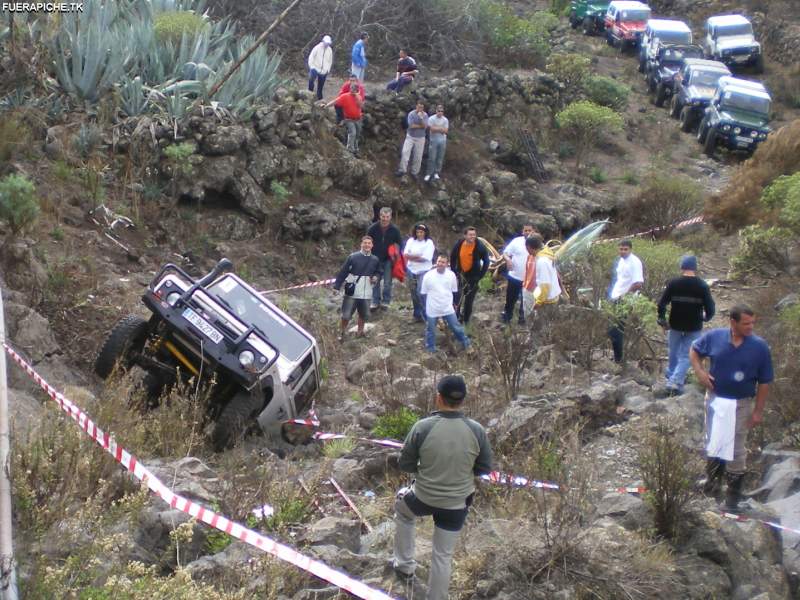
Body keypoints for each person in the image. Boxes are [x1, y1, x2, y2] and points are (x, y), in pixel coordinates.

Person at [392, 375, 493, 600]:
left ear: (439, 398)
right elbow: (485, 467)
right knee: (443, 555)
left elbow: (405, 463)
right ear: (463, 400)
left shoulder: (423, 427)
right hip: (457, 504)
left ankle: (404, 565)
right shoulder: (476, 430)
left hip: (422, 498)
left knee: (402, 507)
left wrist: (424, 470)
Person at [689, 305, 773, 512]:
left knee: (736, 447)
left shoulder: (760, 347)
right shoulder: (715, 337)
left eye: (753, 323)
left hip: (741, 403)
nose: (750, 327)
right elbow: (694, 349)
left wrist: (758, 411)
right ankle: (712, 484)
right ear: (733, 322)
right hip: (716, 399)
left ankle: (733, 499)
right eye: (746, 323)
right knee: (713, 440)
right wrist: (700, 372)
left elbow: (765, 382)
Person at [656, 255, 715, 396]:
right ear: (695, 268)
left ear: (682, 267)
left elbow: (662, 303)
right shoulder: (702, 285)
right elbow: (710, 307)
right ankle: (675, 381)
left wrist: (662, 319)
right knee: (687, 355)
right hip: (694, 325)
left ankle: (672, 379)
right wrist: (706, 317)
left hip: (675, 323)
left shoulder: (674, 283)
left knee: (673, 352)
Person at [332, 236, 382, 341]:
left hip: (367, 291)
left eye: (369, 243)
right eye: (365, 243)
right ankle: (342, 333)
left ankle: (360, 332)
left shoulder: (375, 259)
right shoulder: (353, 257)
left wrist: (376, 277)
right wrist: (337, 286)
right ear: (361, 244)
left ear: (372, 245)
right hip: (352, 291)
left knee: (364, 314)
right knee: (346, 315)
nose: (367, 245)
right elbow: (343, 271)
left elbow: (379, 271)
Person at [420, 254, 471, 353]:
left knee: (456, 327)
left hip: (447, 307)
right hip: (432, 308)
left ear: (447, 264)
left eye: (443, 262)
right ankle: (430, 349)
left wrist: (455, 305)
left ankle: (466, 344)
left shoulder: (451, 275)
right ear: (436, 262)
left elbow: (454, 291)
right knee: (430, 330)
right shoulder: (428, 276)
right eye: (439, 261)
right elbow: (423, 293)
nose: (440, 264)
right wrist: (425, 308)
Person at [607, 239, 644, 363]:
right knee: (612, 328)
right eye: (621, 249)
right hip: (616, 296)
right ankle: (618, 357)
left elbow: (638, 283)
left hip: (626, 299)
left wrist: (626, 296)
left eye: (625, 249)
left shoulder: (635, 262)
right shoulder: (621, 261)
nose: (622, 251)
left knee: (616, 329)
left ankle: (619, 359)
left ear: (630, 249)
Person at [449, 227, 490, 324]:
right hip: (460, 274)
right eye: (470, 235)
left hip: (473, 277)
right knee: (457, 297)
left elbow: (486, 261)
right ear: (465, 235)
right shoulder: (460, 243)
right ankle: (456, 318)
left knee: (469, 300)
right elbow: (453, 256)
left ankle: (466, 320)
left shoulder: (479, 246)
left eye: (474, 235)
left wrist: (481, 275)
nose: (473, 237)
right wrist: (454, 271)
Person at [366, 207, 403, 309]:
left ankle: (386, 301)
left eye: (387, 217)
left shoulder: (395, 230)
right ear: (379, 216)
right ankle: (375, 301)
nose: (385, 219)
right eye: (383, 216)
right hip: (374, 258)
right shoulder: (372, 228)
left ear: (390, 217)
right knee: (375, 281)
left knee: (387, 282)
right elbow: (366, 242)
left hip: (388, 260)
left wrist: (396, 254)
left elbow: (400, 244)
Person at [501, 223, 536, 324]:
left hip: (529, 279)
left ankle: (522, 320)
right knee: (510, 299)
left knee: (525, 301)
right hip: (514, 276)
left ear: (533, 231)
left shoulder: (536, 243)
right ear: (522, 231)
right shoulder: (517, 241)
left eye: (530, 230)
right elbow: (505, 253)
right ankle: (507, 317)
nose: (527, 232)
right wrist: (508, 260)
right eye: (526, 230)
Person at [522, 234, 561, 321]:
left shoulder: (542, 262)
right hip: (553, 297)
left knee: (541, 329)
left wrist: (539, 302)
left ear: (529, 247)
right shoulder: (547, 254)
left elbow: (545, 285)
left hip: (547, 301)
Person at [403, 223, 436, 322]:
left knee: (420, 292)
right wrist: (417, 256)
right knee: (413, 293)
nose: (419, 234)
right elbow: (405, 254)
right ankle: (417, 315)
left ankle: (427, 314)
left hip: (424, 270)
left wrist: (412, 257)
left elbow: (426, 258)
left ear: (425, 233)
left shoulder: (429, 243)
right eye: (417, 232)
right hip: (411, 269)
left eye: (421, 232)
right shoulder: (411, 241)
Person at [320, 84, 363, 155]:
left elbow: (361, 106)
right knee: (352, 133)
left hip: (358, 119)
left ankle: (356, 149)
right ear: (350, 89)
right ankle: (350, 150)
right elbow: (335, 101)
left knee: (357, 134)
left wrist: (358, 99)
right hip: (349, 119)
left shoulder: (359, 97)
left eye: (355, 89)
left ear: (357, 90)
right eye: (352, 88)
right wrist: (326, 105)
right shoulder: (345, 96)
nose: (353, 90)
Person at [395, 101, 428, 179]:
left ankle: (415, 172)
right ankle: (402, 170)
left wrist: (420, 118)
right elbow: (411, 126)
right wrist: (421, 126)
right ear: (416, 106)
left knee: (418, 156)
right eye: (419, 107)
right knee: (405, 152)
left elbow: (425, 126)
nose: (420, 109)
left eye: (421, 107)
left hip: (420, 138)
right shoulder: (411, 114)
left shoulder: (425, 115)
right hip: (410, 136)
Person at [424, 105, 448, 183]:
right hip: (433, 141)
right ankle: (429, 173)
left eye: (442, 111)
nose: (440, 113)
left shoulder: (445, 120)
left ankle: (436, 172)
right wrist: (441, 128)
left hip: (443, 141)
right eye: (439, 111)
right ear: (436, 111)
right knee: (432, 158)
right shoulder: (431, 118)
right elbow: (432, 129)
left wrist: (437, 128)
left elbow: (445, 131)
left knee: (440, 157)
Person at [307, 35, 333, 100]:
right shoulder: (317, 47)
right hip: (315, 68)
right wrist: (312, 67)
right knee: (311, 81)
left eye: (328, 43)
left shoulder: (330, 50)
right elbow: (311, 57)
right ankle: (309, 95)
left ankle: (319, 99)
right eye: (326, 43)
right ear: (323, 41)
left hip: (324, 71)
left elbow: (330, 60)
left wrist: (328, 70)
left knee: (320, 87)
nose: (327, 44)